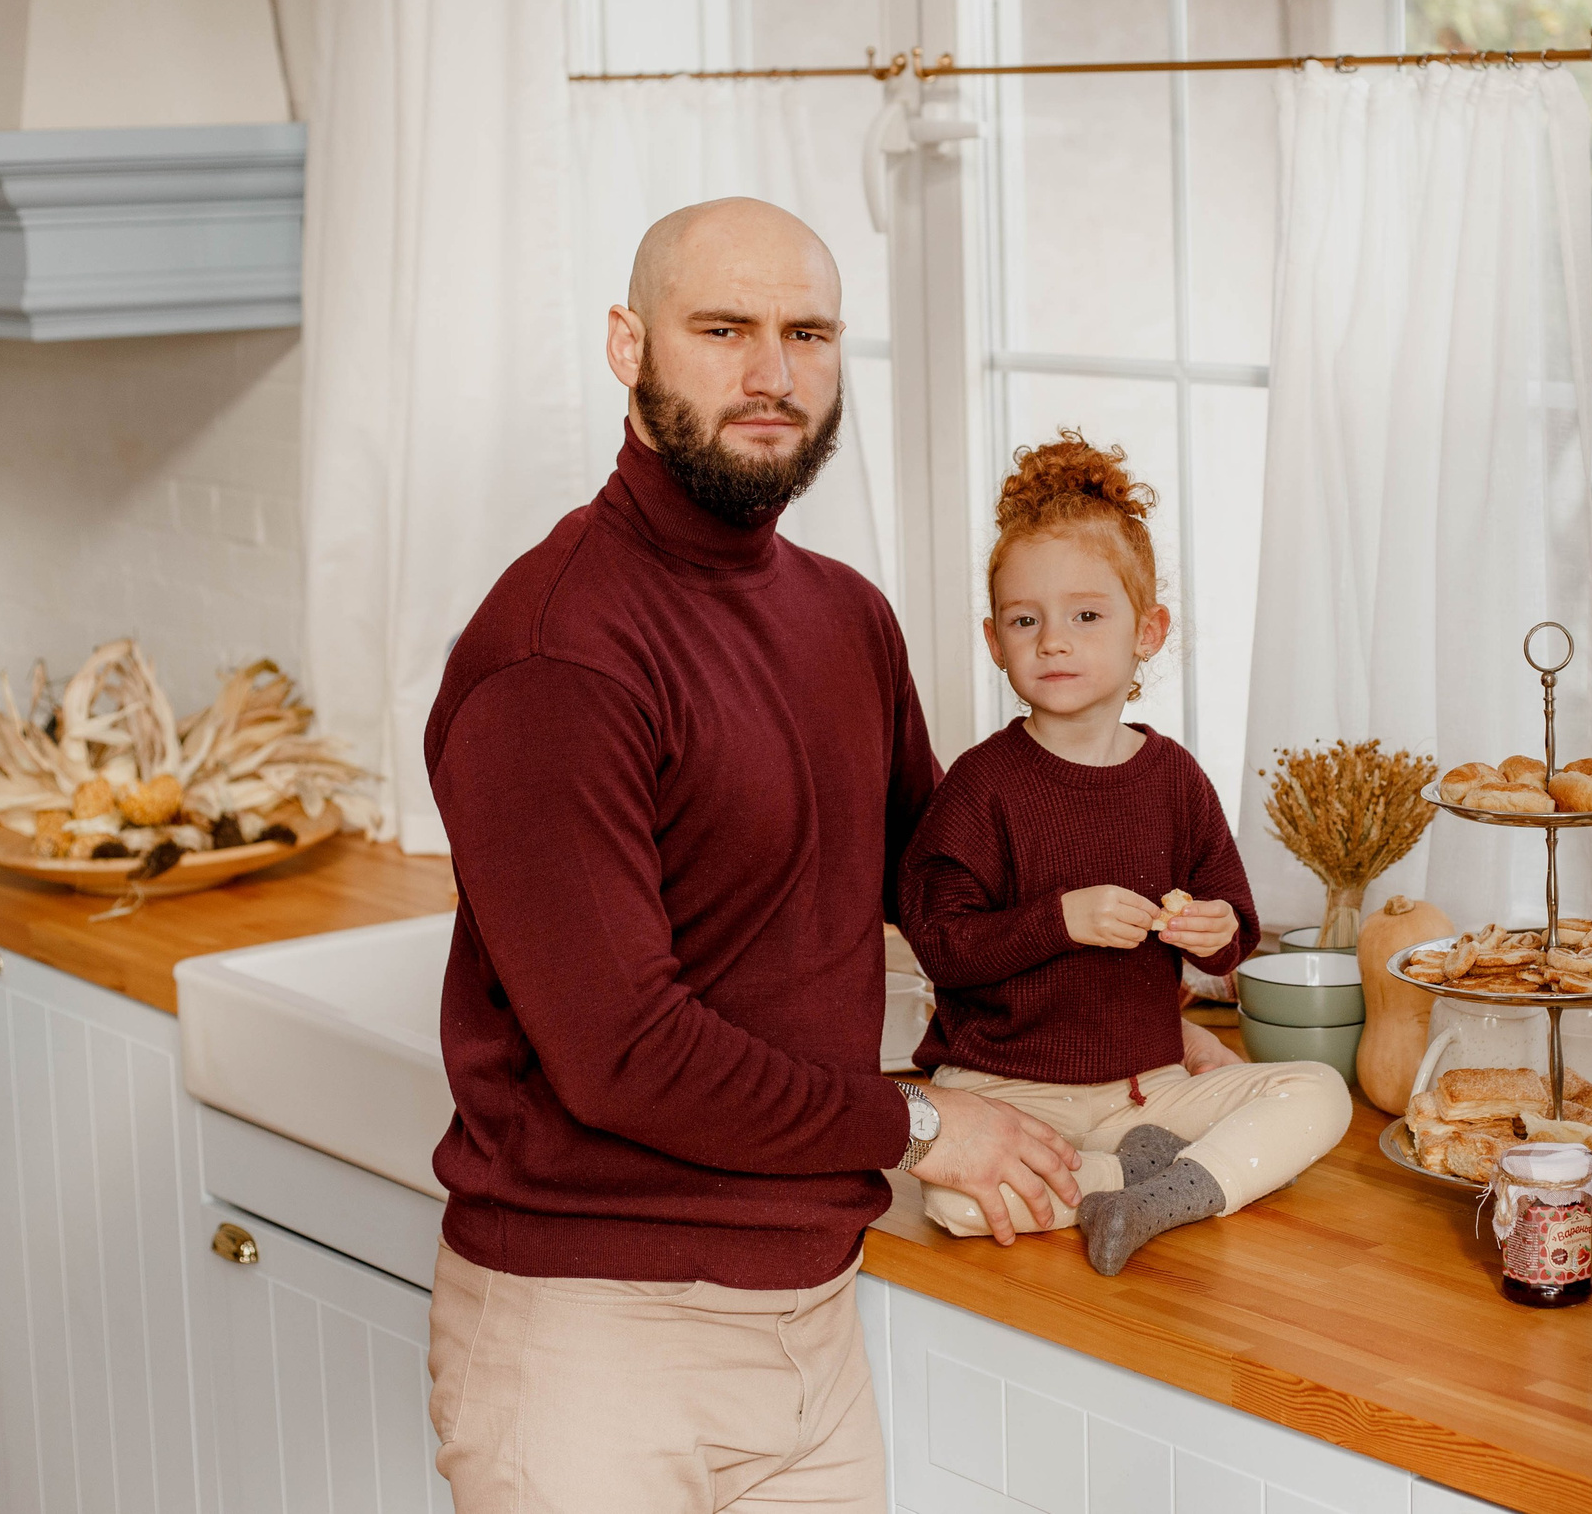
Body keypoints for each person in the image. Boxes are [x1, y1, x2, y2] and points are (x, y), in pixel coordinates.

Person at [420, 197, 1083, 1513]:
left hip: (808, 1323)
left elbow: (937, 891)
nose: (772, 374)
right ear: (628, 343)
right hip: (590, 1347)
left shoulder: (847, 617)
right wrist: (923, 1123)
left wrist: (1144, 996)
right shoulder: (560, 653)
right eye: (721, 329)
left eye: (809, 333)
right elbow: (624, 1053)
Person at [896, 432, 1354, 1276]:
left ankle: (1141, 1188)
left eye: (1085, 615)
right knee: (954, 1203)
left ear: (1148, 630)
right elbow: (941, 942)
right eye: (1025, 620)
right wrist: (1059, 919)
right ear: (994, 641)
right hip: (1000, 1088)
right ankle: (1152, 1179)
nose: (1053, 641)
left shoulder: (1174, 779)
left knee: (1319, 1094)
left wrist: (1211, 928)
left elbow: (1231, 933)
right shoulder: (981, 785)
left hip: (1146, 1088)